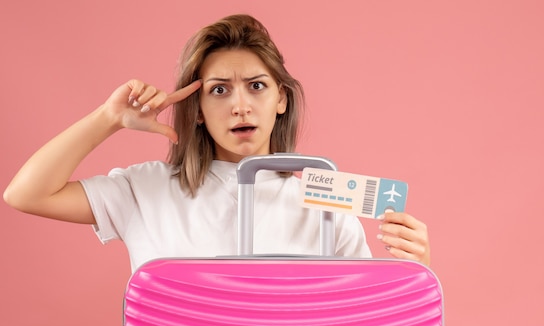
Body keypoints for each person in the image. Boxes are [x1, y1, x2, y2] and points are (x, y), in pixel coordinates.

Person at [3, 14, 430, 272]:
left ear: (281, 99)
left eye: (257, 87)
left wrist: (415, 271)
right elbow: (26, 193)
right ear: (200, 108)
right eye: (220, 90)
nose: (240, 106)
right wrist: (108, 118)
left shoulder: (327, 205)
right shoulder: (146, 189)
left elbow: (358, 322)